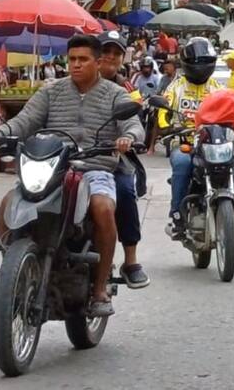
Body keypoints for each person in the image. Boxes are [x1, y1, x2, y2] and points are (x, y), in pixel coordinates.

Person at [0, 35, 145, 316]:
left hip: (95, 168)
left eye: (83, 59)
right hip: (53, 166)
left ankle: (100, 288)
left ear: (98, 61)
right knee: (9, 202)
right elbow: (25, 120)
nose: (76, 65)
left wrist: (128, 137)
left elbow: (133, 124)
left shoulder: (116, 94)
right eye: (72, 60)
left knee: (104, 207)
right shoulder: (51, 91)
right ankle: (12, 268)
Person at [160, 37, 234, 238]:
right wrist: (166, 127)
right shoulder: (176, 87)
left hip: (213, 142)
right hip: (184, 143)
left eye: (204, 62)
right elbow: (162, 112)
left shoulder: (218, 88)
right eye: (196, 63)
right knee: (183, 163)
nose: (200, 67)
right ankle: (177, 214)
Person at [95, 31, 150, 288]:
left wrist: (128, 137)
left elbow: (135, 120)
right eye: (105, 51)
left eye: (116, 53)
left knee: (125, 191)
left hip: (111, 157)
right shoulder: (66, 86)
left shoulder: (125, 89)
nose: (110, 57)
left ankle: (130, 260)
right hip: (72, 157)